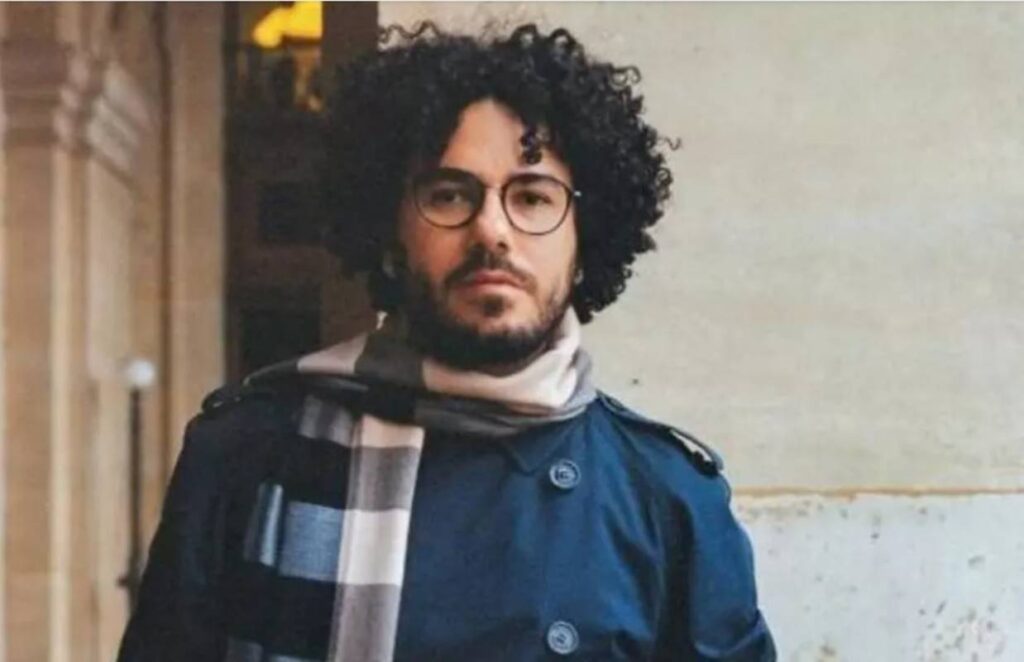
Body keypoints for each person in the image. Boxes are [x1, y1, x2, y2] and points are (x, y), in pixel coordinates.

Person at [118, 23, 775, 662]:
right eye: (450, 194)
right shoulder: (245, 455)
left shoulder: (668, 498)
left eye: (533, 197)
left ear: (584, 244)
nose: (492, 229)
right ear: (390, 234)